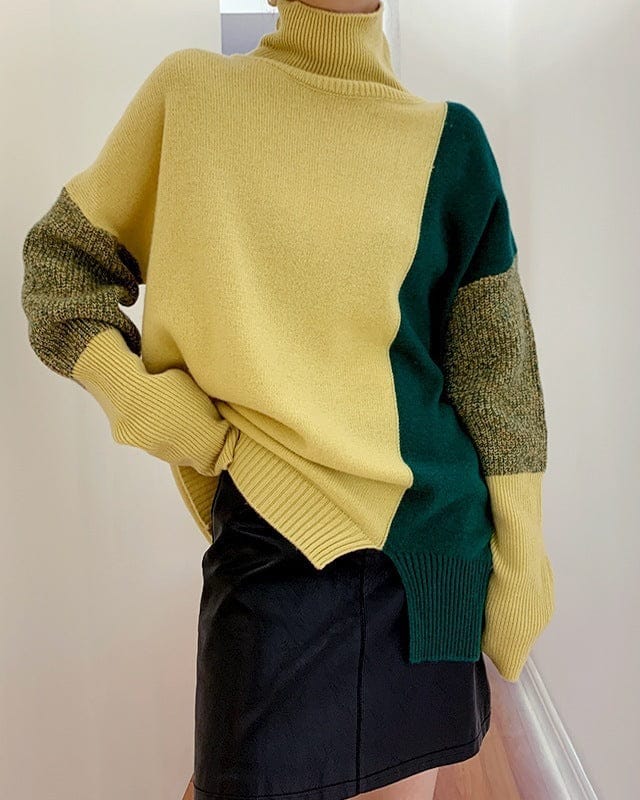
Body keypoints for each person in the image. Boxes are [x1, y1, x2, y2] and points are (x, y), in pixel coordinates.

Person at [20, 1, 556, 799]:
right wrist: (152, 406)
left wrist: (521, 559)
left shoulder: (452, 143)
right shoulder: (192, 96)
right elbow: (60, 269)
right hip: (271, 555)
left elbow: (497, 379)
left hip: (432, 555)